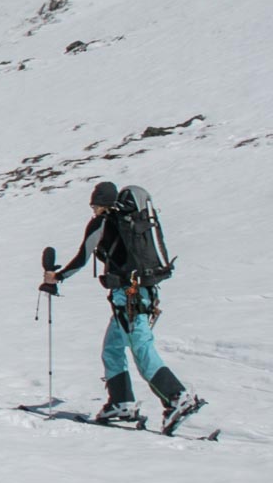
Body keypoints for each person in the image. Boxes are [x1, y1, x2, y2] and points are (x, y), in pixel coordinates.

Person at [44, 181, 205, 433]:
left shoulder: (104, 223)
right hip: (143, 292)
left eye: (95, 206)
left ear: (102, 204)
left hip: (127, 296)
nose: (93, 211)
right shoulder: (131, 222)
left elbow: (82, 256)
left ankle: (177, 398)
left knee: (141, 348)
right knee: (112, 349)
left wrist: (58, 277)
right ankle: (121, 402)